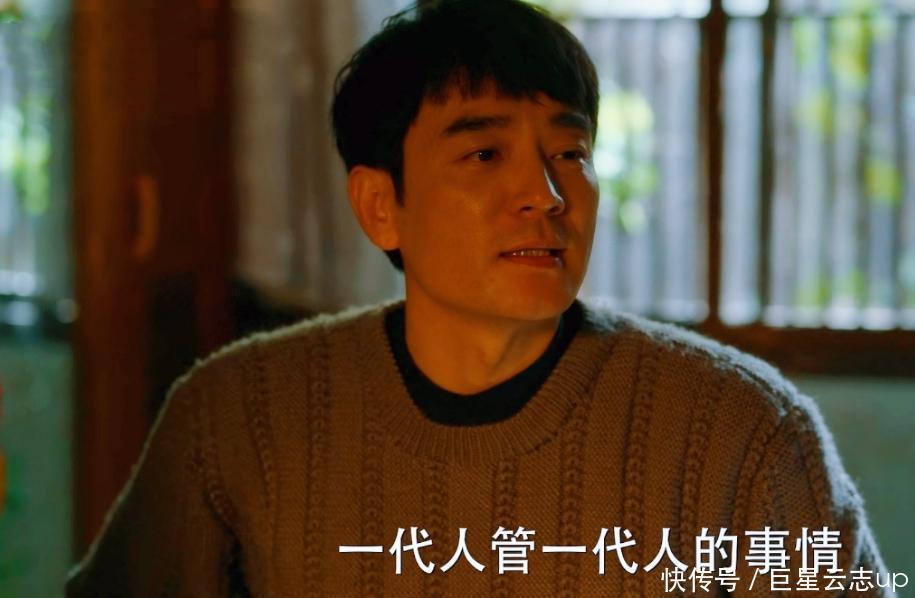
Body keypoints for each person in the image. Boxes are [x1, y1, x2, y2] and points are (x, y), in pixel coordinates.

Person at [66, 0, 889, 595]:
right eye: (485, 154)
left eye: (569, 154)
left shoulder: (740, 428)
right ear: (379, 205)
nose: (546, 196)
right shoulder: (236, 416)